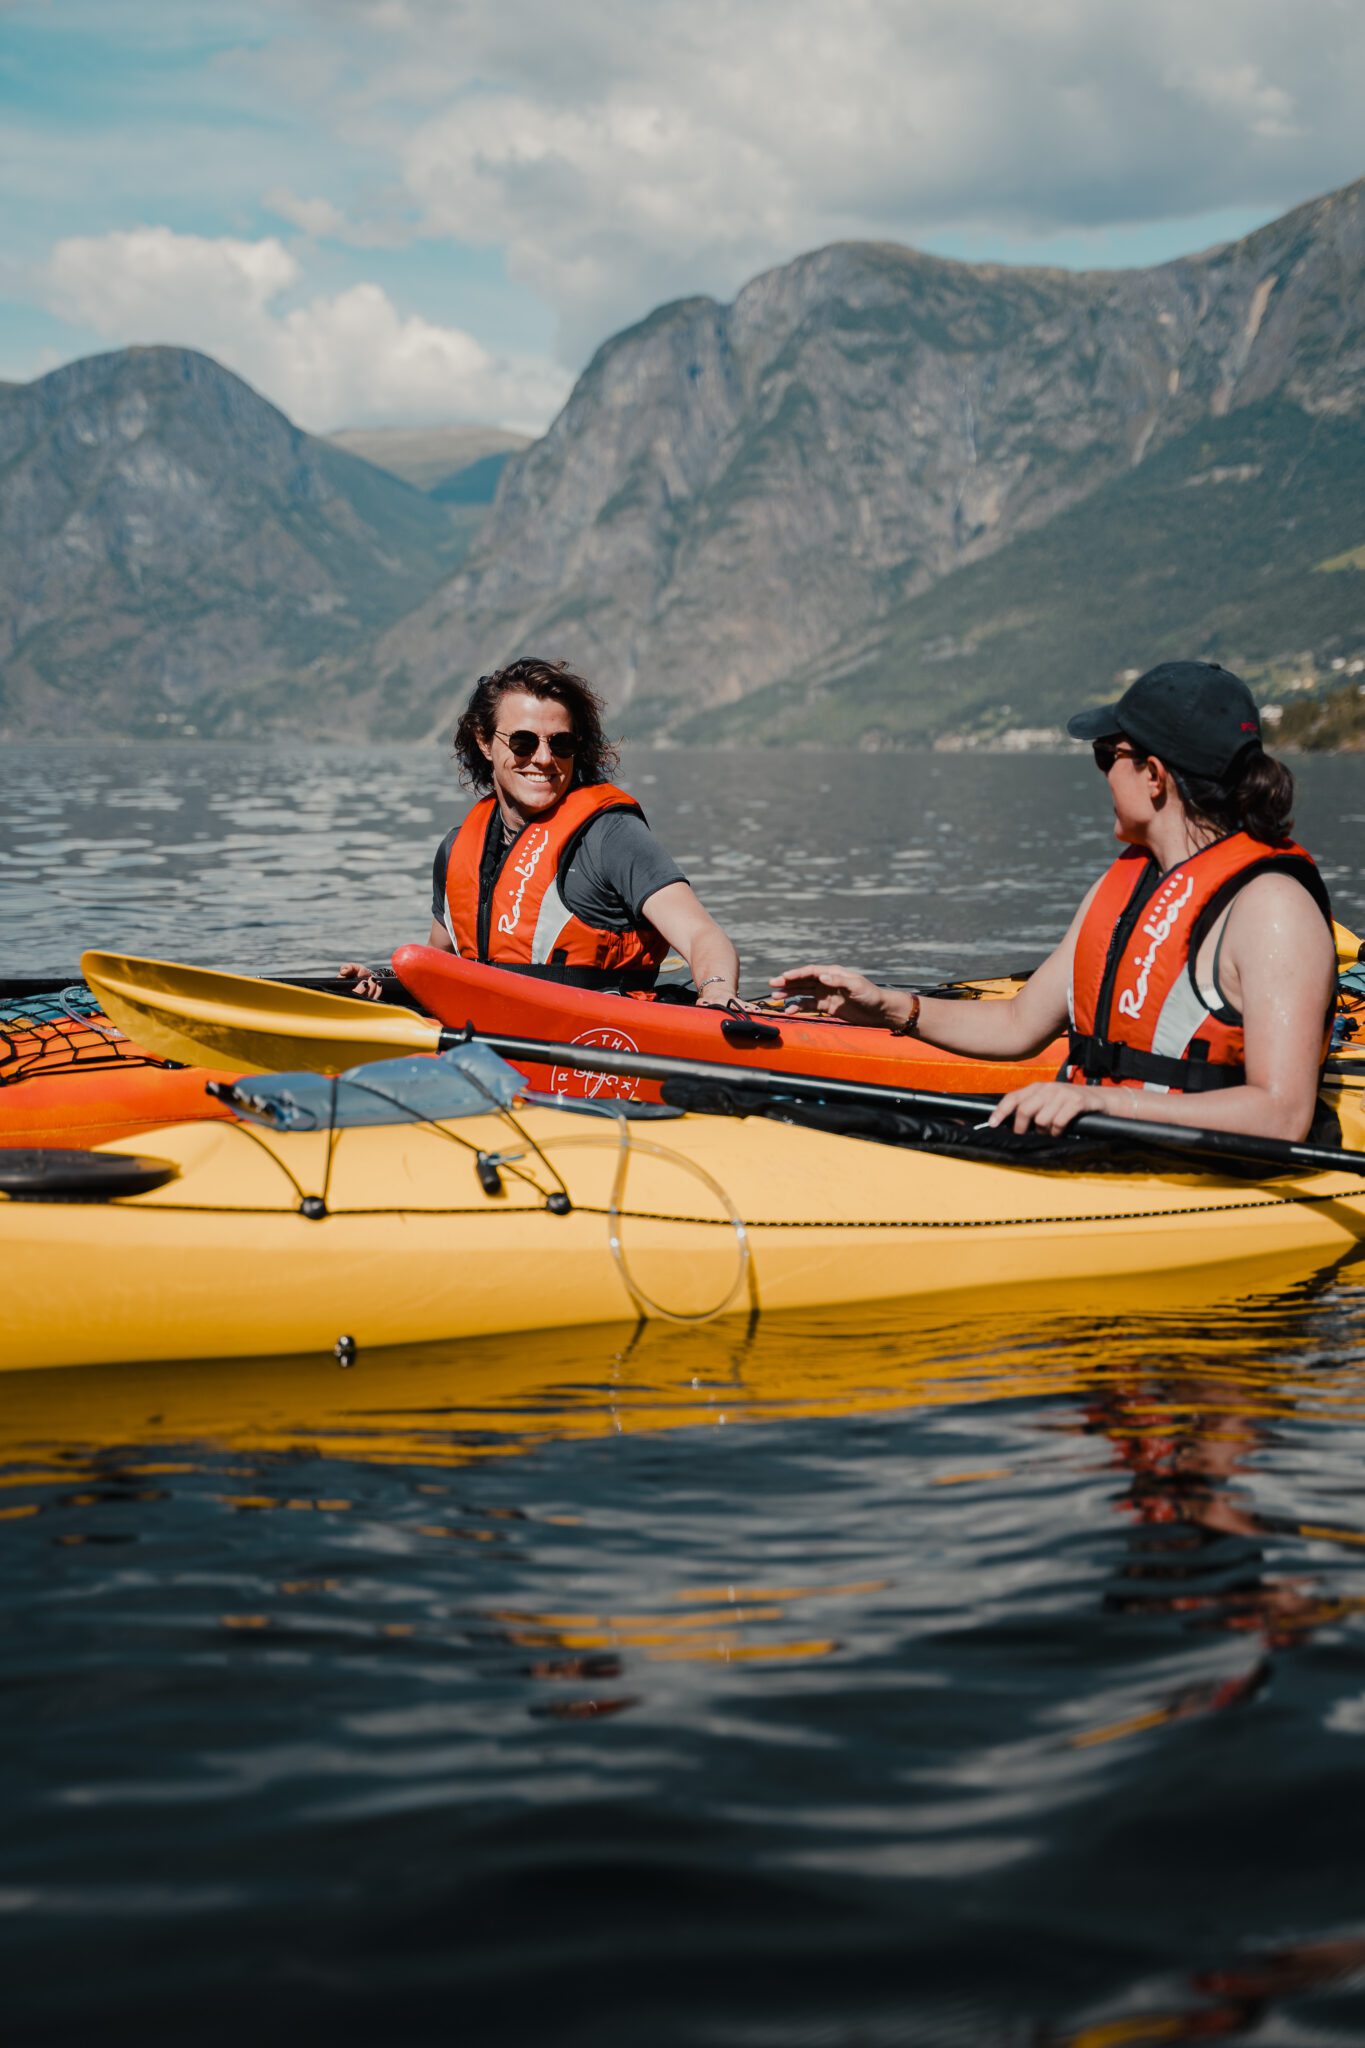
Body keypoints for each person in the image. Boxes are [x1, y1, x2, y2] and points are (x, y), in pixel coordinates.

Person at [771, 661, 1336, 1142]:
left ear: (1154, 775)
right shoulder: (1130, 883)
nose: (1103, 775)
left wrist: (1105, 1103)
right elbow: (1018, 1024)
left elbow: (1281, 1114)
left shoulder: (1272, 908)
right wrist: (889, 1007)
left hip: (1194, 1169)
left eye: (1106, 756)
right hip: (1103, 1146)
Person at [342, 656, 740, 1004]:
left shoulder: (612, 836)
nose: (544, 759)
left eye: (561, 743)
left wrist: (717, 992)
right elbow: (440, 959)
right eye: (523, 742)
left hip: (600, 1037)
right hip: (485, 1032)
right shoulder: (456, 848)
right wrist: (384, 980)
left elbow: (702, 935)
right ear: (485, 742)